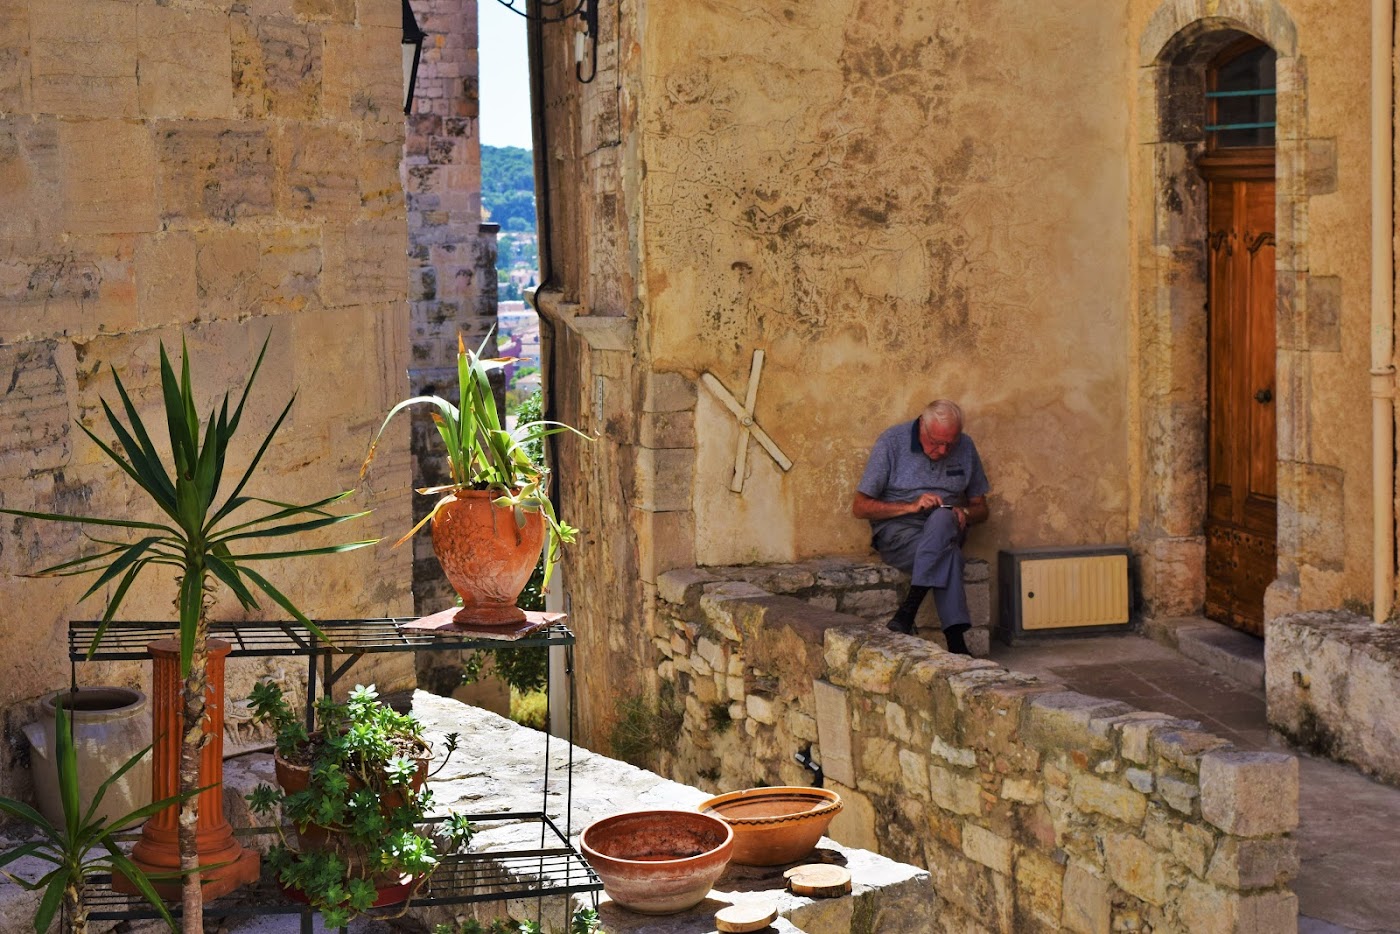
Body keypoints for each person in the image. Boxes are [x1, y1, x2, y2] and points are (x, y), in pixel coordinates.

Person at [852, 399, 989, 654]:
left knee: (942, 518)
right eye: (936, 443)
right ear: (922, 428)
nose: (944, 450)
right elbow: (860, 507)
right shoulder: (892, 442)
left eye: (951, 443)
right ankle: (957, 643)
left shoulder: (966, 446)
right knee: (950, 557)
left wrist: (965, 513)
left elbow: (982, 509)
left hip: (948, 528)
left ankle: (908, 610)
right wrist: (911, 506)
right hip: (899, 533)